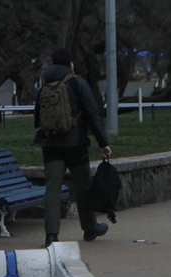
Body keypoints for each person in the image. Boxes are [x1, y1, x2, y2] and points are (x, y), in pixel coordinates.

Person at [34, 48, 112, 248]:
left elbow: (37, 118)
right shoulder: (78, 83)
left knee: (52, 189)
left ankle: (51, 235)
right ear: (71, 64)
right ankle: (89, 228)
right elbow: (92, 114)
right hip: (76, 144)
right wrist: (103, 143)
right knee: (83, 187)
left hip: (50, 145)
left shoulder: (45, 85)